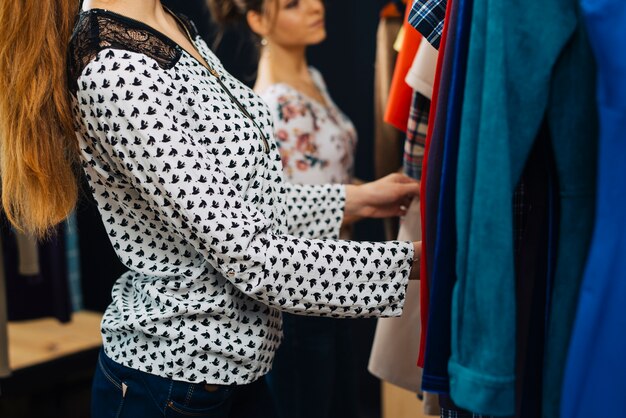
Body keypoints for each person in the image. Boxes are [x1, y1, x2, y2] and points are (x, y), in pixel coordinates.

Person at [0, 1, 420, 417]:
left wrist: (356, 200)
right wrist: (413, 264)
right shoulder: (115, 70)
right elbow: (251, 257)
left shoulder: (167, 22)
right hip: (173, 383)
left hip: (237, 375)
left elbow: (237, 202)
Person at [207, 0, 381, 416]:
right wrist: (379, 201)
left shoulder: (311, 78)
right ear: (257, 20)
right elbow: (290, 217)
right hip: (303, 297)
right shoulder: (275, 106)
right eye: (291, 4)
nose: (314, 7)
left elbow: (329, 181)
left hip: (334, 284)